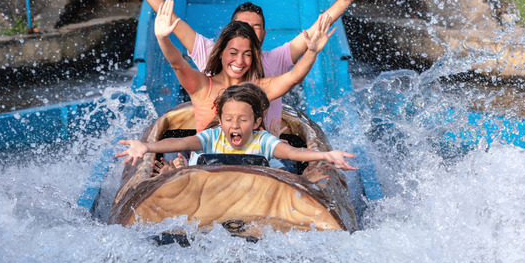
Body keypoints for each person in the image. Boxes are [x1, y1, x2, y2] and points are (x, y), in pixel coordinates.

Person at [119, 0, 371, 130]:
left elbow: (313, 37)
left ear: (264, 34)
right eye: (242, 25)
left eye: (256, 26)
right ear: (230, 34)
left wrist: (345, 0)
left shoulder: (274, 64)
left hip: (263, 145)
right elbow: (170, 21)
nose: (248, 30)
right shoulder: (207, 61)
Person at [155, 0, 333, 132]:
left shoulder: (259, 89)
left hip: (252, 168)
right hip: (208, 167)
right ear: (221, 52)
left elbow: (295, 77)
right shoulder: (202, 86)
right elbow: (177, 63)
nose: (239, 61)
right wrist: (162, 38)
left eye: (247, 55)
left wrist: (312, 52)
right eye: (233, 53)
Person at [116, 83, 358, 175]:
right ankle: (175, 172)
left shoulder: (262, 141)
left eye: (243, 120)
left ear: (256, 123)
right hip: (210, 192)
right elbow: (179, 143)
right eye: (228, 119)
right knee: (181, 167)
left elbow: (294, 154)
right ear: (220, 121)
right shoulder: (213, 137)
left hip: (251, 195)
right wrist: (146, 146)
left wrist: (325, 155)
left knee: (284, 171)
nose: (235, 125)